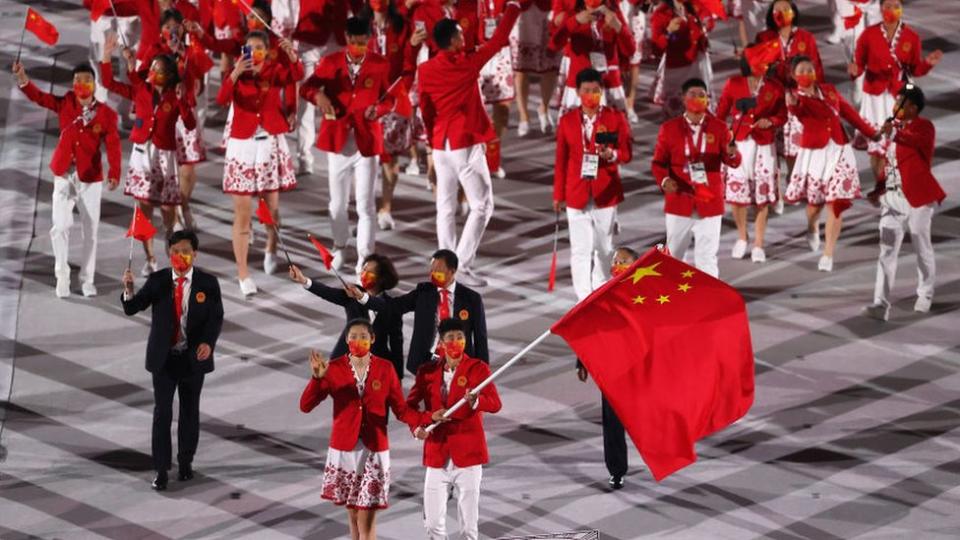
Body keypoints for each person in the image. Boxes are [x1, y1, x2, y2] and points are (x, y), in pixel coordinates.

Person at [417, 1, 528, 287]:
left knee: (445, 208)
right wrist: (513, 6)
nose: (465, 38)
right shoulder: (467, 64)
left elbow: (426, 110)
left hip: (440, 145)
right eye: (460, 36)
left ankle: (442, 265)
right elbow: (500, 39)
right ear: (453, 41)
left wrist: (431, 143)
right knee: (482, 205)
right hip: (464, 144)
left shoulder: (427, 69)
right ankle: (461, 265)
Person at [299, 320, 425, 540]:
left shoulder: (385, 368)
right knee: (354, 517)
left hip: (374, 449)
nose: (358, 341)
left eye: (363, 336)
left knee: (366, 521)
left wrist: (421, 422)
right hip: (344, 450)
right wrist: (317, 379)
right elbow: (305, 406)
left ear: (372, 339)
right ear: (347, 340)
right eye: (353, 336)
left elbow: (401, 409)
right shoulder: (334, 368)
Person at [121, 230, 224, 491]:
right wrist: (129, 291)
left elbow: (216, 318)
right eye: (175, 251)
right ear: (169, 253)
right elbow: (133, 308)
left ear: (195, 254)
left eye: (185, 251)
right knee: (162, 413)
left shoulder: (208, 283)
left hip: (192, 360)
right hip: (164, 360)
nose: (180, 256)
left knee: (190, 413)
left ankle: (186, 462)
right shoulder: (158, 281)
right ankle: (161, 469)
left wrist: (208, 344)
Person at [13, 62, 121, 299]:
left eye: (86, 80)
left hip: (90, 179)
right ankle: (62, 275)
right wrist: (23, 79)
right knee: (60, 226)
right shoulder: (65, 104)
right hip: (63, 175)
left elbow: (113, 145)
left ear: (94, 84)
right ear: (72, 85)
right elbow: (39, 97)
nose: (81, 84)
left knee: (90, 231)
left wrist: (114, 172)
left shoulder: (106, 114)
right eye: (77, 80)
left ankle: (87, 279)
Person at [300, 17, 392, 272]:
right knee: (337, 205)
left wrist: (380, 109)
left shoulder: (380, 64)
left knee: (365, 204)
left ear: (369, 40)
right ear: (346, 38)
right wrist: (318, 96)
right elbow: (306, 88)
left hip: (367, 142)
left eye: (363, 43)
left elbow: (391, 98)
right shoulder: (330, 63)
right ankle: (340, 246)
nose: (358, 48)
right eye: (354, 43)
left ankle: (365, 256)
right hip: (339, 142)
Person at [101, 34, 196, 276]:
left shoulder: (174, 98)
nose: (152, 72)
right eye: (152, 67)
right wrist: (106, 55)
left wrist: (182, 99)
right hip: (142, 155)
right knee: (144, 212)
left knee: (167, 214)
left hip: (165, 159)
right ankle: (151, 258)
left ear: (169, 75)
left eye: (158, 70)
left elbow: (191, 123)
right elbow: (109, 83)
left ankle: (175, 255)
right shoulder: (141, 90)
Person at [217, 30, 303, 296]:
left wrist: (292, 57)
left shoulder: (276, 70)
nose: (253, 53)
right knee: (242, 214)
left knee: (271, 209)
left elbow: (297, 76)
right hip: (241, 147)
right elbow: (221, 100)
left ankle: (271, 245)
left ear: (267, 50)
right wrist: (234, 73)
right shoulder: (237, 73)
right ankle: (243, 273)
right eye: (249, 48)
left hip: (268, 145)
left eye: (258, 48)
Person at [408, 318, 502, 540]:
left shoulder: (478, 369)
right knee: (432, 525)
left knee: (469, 528)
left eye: (460, 338)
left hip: (468, 455)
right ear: (440, 343)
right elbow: (409, 407)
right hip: (437, 453)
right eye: (450, 338)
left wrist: (476, 402)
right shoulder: (427, 372)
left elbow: (495, 403)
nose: (456, 342)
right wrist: (419, 425)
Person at [783, 56, 878, 272]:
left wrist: (872, 133)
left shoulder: (829, 90)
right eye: (802, 70)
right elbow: (797, 111)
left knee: (836, 203)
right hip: (815, 154)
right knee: (815, 205)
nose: (807, 73)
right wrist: (794, 103)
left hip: (839, 150)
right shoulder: (796, 98)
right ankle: (812, 226)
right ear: (794, 75)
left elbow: (849, 113)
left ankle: (828, 253)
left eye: (810, 69)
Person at [864, 85, 945, 321]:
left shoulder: (924, 127)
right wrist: (878, 189)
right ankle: (880, 303)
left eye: (901, 102)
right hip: (893, 197)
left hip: (918, 198)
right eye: (896, 101)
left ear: (913, 107)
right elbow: (890, 164)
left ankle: (925, 293)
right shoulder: (895, 131)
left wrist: (894, 133)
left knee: (922, 245)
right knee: (887, 249)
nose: (895, 106)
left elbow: (916, 142)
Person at [553, 68, 632, 300]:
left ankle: (599, 289)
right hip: (576, 193)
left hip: (605, 192)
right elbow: (560, 161)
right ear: (577, 92)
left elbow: (627, 153)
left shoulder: (614, 118)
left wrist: (612, 155)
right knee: (580, 250)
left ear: (602, 92)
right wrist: (558, 195)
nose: (591, 95)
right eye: (586, 91)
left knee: (604, 248)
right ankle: (583, 297)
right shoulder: (567, 121)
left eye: (596, 91)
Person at [651, 78, 741, 278]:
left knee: (707, 258)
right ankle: (672, 302)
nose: (698, 99)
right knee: (673, 257)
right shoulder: (669, 129)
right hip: (679, 200)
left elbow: (733, 162)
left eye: (702, 95)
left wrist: (732, 153)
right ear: (683, 99)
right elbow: (658, 163)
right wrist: (665, 181)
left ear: (708, 100)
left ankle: (709, 305)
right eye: (692, 95)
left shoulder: (719, 128)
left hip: (709, 202)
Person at [848, 0, 942, 181]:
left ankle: (893, 186)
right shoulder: (868, 35)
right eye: (888, 6)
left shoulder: (911, 37)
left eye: (896, 6)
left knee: (896, 146)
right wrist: (854, 72)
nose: (892, 10)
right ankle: (881, 185)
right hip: (874, 98)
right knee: (877, 148)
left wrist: (928, 64)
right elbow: (859, 66)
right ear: (880, 8)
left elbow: (914, 70)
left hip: (897, 97)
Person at [353, 249, 488, 376]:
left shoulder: (471, 299)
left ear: (452, 271)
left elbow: (480, 338)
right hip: (427, 364)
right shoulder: (423, 292)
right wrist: (363, 298)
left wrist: (482, 373)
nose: (433, 273)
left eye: (438, 270)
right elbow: (393, 306)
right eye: (431, 269)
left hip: (458, 364)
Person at [575, 246, 637, 489]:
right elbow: (589, 329)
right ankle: (617, 470)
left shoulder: (648, 294)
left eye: (624, 260)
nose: (617, 264)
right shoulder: (602, 295)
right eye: (615, 260)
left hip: (641, 369)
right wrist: (582, 360)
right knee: (613, 424)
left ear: (635, 266)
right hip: (612, 370)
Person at [289, 253, 406, 379]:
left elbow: (396, 344)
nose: (363, 273)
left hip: (375, 366)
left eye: (368, 271)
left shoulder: (391, 307)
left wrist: (397, 376)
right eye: (363, 269)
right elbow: (327, 292)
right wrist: (304, 280)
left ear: (381, 278)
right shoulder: (352, 294)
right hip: (346, 359)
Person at [716, 55, 786, 263]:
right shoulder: (734, 84)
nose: (762, 65)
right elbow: (720, 113)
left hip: (764, 146)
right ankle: (742, 236)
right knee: (738, 196)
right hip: (739, 144)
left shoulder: (775, 87)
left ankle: (758, 244)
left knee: (761, 197)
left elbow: (782, 115)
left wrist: (771, 121)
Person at [358, 0, 415, 230]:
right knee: (365, 161)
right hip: (366, 102)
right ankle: (366, 211)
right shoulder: (360, 26)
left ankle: (386, 207)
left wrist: (400, 92)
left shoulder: (402, 25)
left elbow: (409, 65)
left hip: (394, 102)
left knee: (391, 160)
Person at [551, 0, 635, 116]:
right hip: (580, 84)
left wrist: (618, 27)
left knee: (609, 131)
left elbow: (630, 50)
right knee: (577, 131)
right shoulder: (573, 14)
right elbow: (554, 45)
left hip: (608, 85)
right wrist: (575, 21)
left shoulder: (613, 13)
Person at [649, 0, 714, 118]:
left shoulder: (695, 6)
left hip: (698, 66)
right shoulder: (661, 13)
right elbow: (656, 49)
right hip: (677, 68)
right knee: (676, 115)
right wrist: (668, 32)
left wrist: (705, 24)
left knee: (700, 112)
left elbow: (709, 21)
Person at [511, 0, 561, 136]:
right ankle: (523, 116)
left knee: (551, 65)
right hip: (522, 10)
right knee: (521, 67)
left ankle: (544, 108)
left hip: (549, 8)